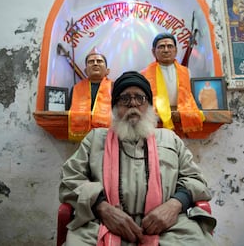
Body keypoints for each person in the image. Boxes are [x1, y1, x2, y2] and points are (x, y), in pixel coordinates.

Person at [59, 71, 217, 246]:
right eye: (124, 99)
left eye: (140, 98)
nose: (132, 104)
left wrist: (175, 204)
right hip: (102, 225)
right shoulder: (95, 139)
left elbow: (195, 179)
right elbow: (70, 179)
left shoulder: (169, 138)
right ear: (114, 108)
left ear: (149, 105)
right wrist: (102, 208)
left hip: (170, 228)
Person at [141, 33, 205, 138]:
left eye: (169, 46)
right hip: (156, 123)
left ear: (175, 50)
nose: (166, 50)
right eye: (161, 47)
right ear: (153, 52)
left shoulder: (186, 72)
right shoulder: (144, 74)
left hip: (181, 117)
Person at [68, 48, 113, 141]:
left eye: (99, 61)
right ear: (85, 71)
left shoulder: (115, 87)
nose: (95, 63)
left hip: (108, 136)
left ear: (107, 71)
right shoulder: (76, 89)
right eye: (91, 61)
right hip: (82, 138)